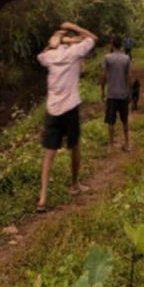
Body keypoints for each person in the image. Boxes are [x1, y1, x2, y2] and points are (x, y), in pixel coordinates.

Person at [36, 21, 97, 212]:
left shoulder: (49, 56)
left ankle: (42, 198)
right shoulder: (74, 52)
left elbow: (41, 55)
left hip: (52, 110)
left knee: (49, 154)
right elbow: (93, 38)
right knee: (75, 146)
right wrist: (74, 28)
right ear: (68, 40)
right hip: (70, 107)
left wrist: (54, 41)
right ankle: (74, 185)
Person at [99, 35, 132, 152]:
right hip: (123, 94)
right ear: (122, 45)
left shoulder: (107, 58)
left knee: (111, 121)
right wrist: (129, 92)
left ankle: (111, 145)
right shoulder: (126, 58)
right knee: (125, 120)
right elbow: (129, 77)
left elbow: (103, 76)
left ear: (112, 45)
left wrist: (102, 91)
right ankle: (127, 143)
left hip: (111, 94)